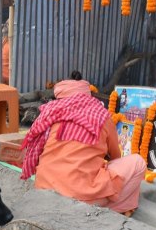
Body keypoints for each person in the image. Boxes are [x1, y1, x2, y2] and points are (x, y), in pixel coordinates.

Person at [20, 79, 147, 217]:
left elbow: (36, 154)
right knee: (138, 162)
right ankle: (106, 209)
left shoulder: (48, 115)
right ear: (88, 95)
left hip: (43, 191)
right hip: (80, 198)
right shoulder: (102, 116)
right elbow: (115, 156)